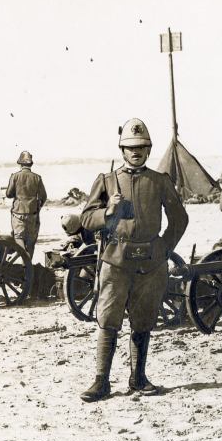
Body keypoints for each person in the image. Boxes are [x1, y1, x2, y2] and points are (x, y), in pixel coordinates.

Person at [79, 117, 188, 402]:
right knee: (108, 320)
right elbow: (87, 219)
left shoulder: (160, 181)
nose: (135, 151)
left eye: (141, 147)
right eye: (130, 147)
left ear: (149, 150)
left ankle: (138, 379)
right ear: (122, 150)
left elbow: (179, 218)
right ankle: (101, 382)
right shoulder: (106, 181)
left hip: (150, 266)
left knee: (143, 321)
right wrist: (108, 212)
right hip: (116, 263)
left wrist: (164, 246)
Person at [5, 150, 48, 258]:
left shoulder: (15, 176)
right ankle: (28, 268)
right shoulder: (37, 177)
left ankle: (25, 263)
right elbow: (43, 196)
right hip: (32, 213)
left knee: (19, 237)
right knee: (31, 241)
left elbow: (9, 194)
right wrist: (38, 207)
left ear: (20, 164)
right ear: (30, 164)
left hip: (17, 212)